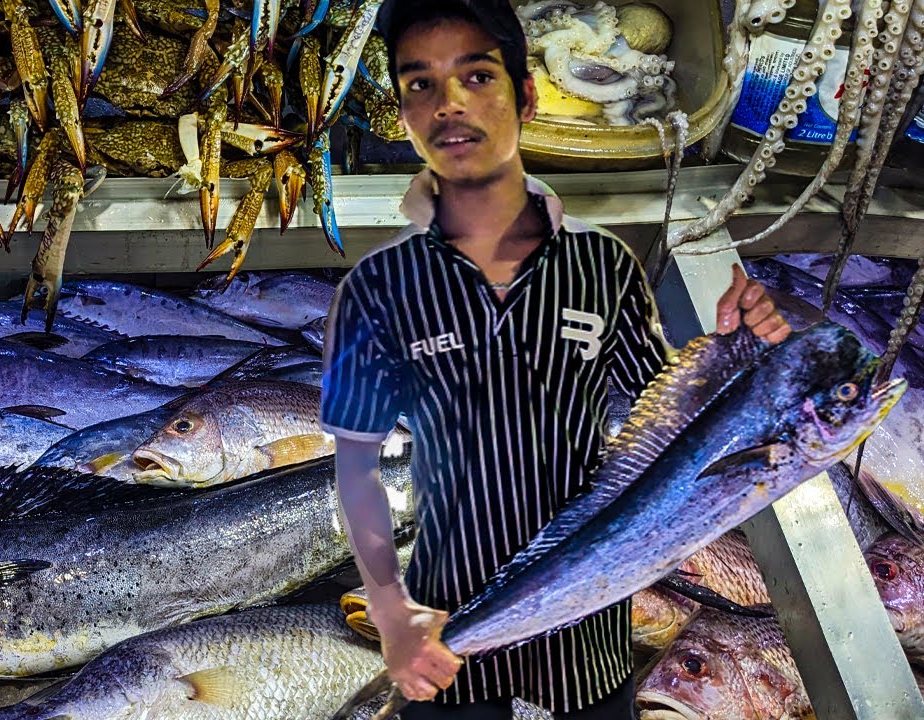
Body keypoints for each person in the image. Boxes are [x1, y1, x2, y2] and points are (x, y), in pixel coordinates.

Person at [318, 1, 792, 718]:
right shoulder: (377, 288)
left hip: (591, 637)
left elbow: (668, 420)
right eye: (420, 84)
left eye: (476, 76)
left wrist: (738, 351)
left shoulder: (602, 264)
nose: (448, 105)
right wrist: (389, 613)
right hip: (452, 632)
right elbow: (355, 468)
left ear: (527, 94)